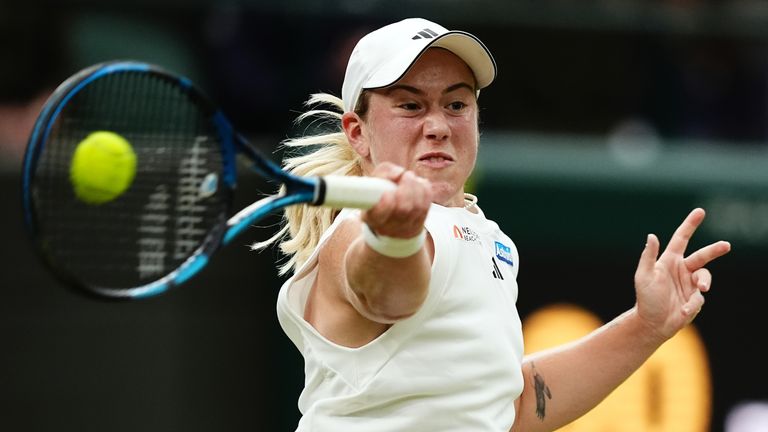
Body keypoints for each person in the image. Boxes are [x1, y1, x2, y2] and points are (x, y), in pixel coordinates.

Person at [256, 17, 732, 431]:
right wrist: (395, 235)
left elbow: (517, 408)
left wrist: (647, 325)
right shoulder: (357, 230)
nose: (438, 125)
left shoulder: (491, 240)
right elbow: (389, 294)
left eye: (456, 104)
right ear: (357, 133)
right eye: (410, 105)